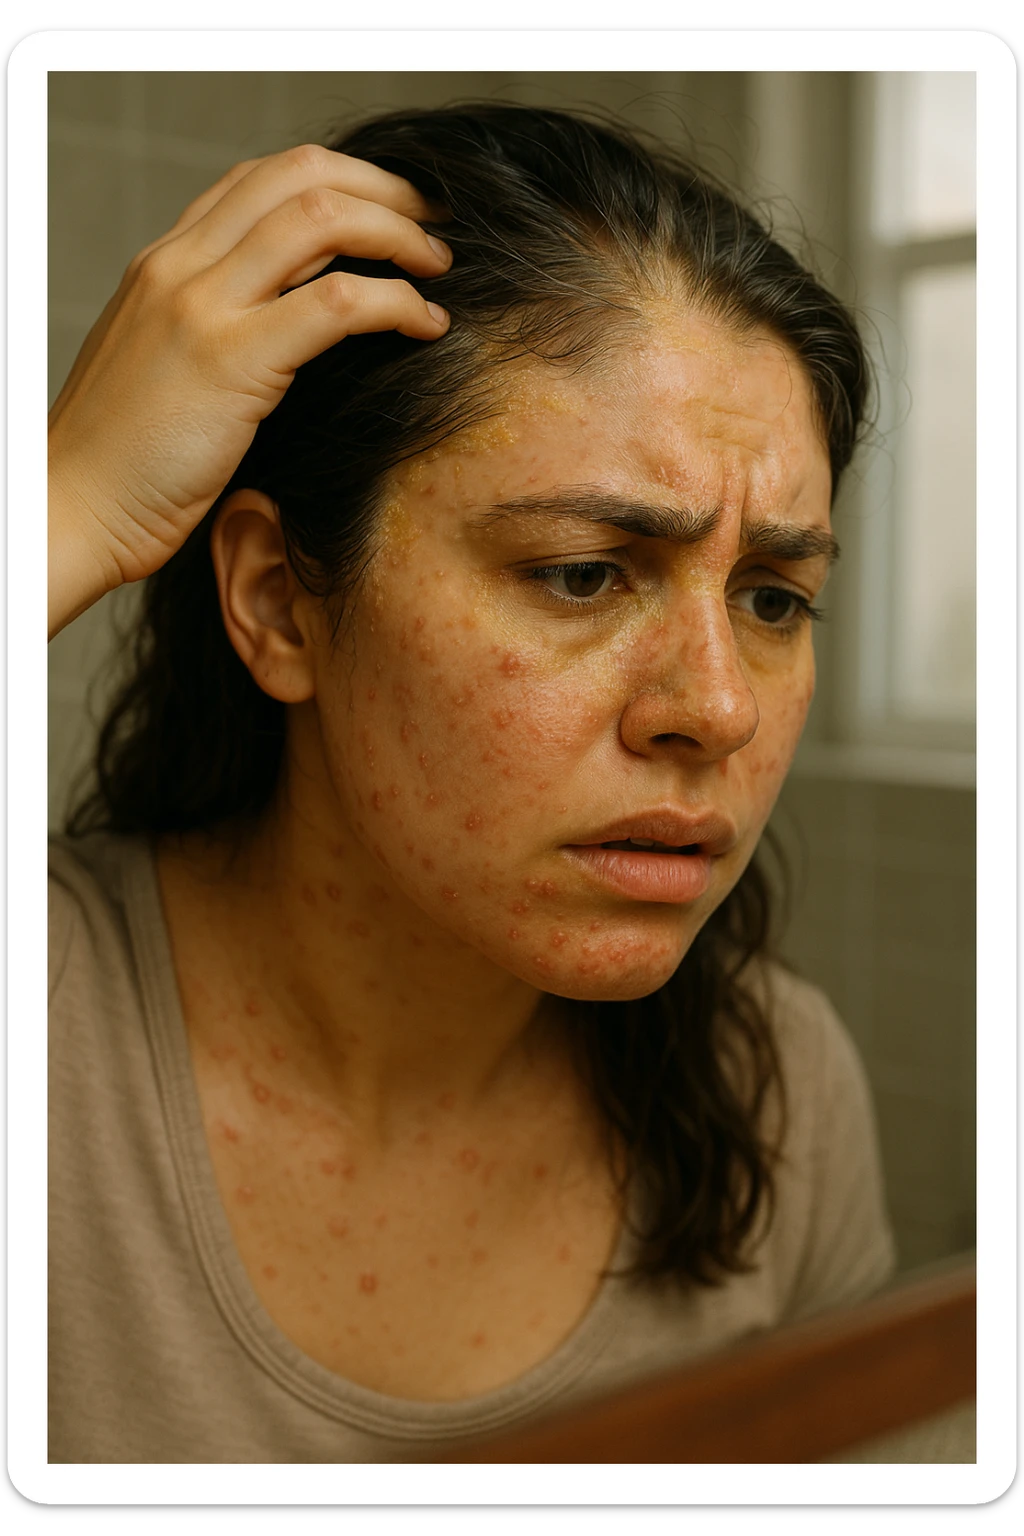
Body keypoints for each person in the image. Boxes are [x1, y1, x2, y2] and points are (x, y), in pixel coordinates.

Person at [47, 103, 895, 1463]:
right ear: (278, 602)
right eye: (580, 573)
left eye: (775, 598)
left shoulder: (776, 1084)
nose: (719, 707)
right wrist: (63, 506)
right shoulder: (52, 1033)